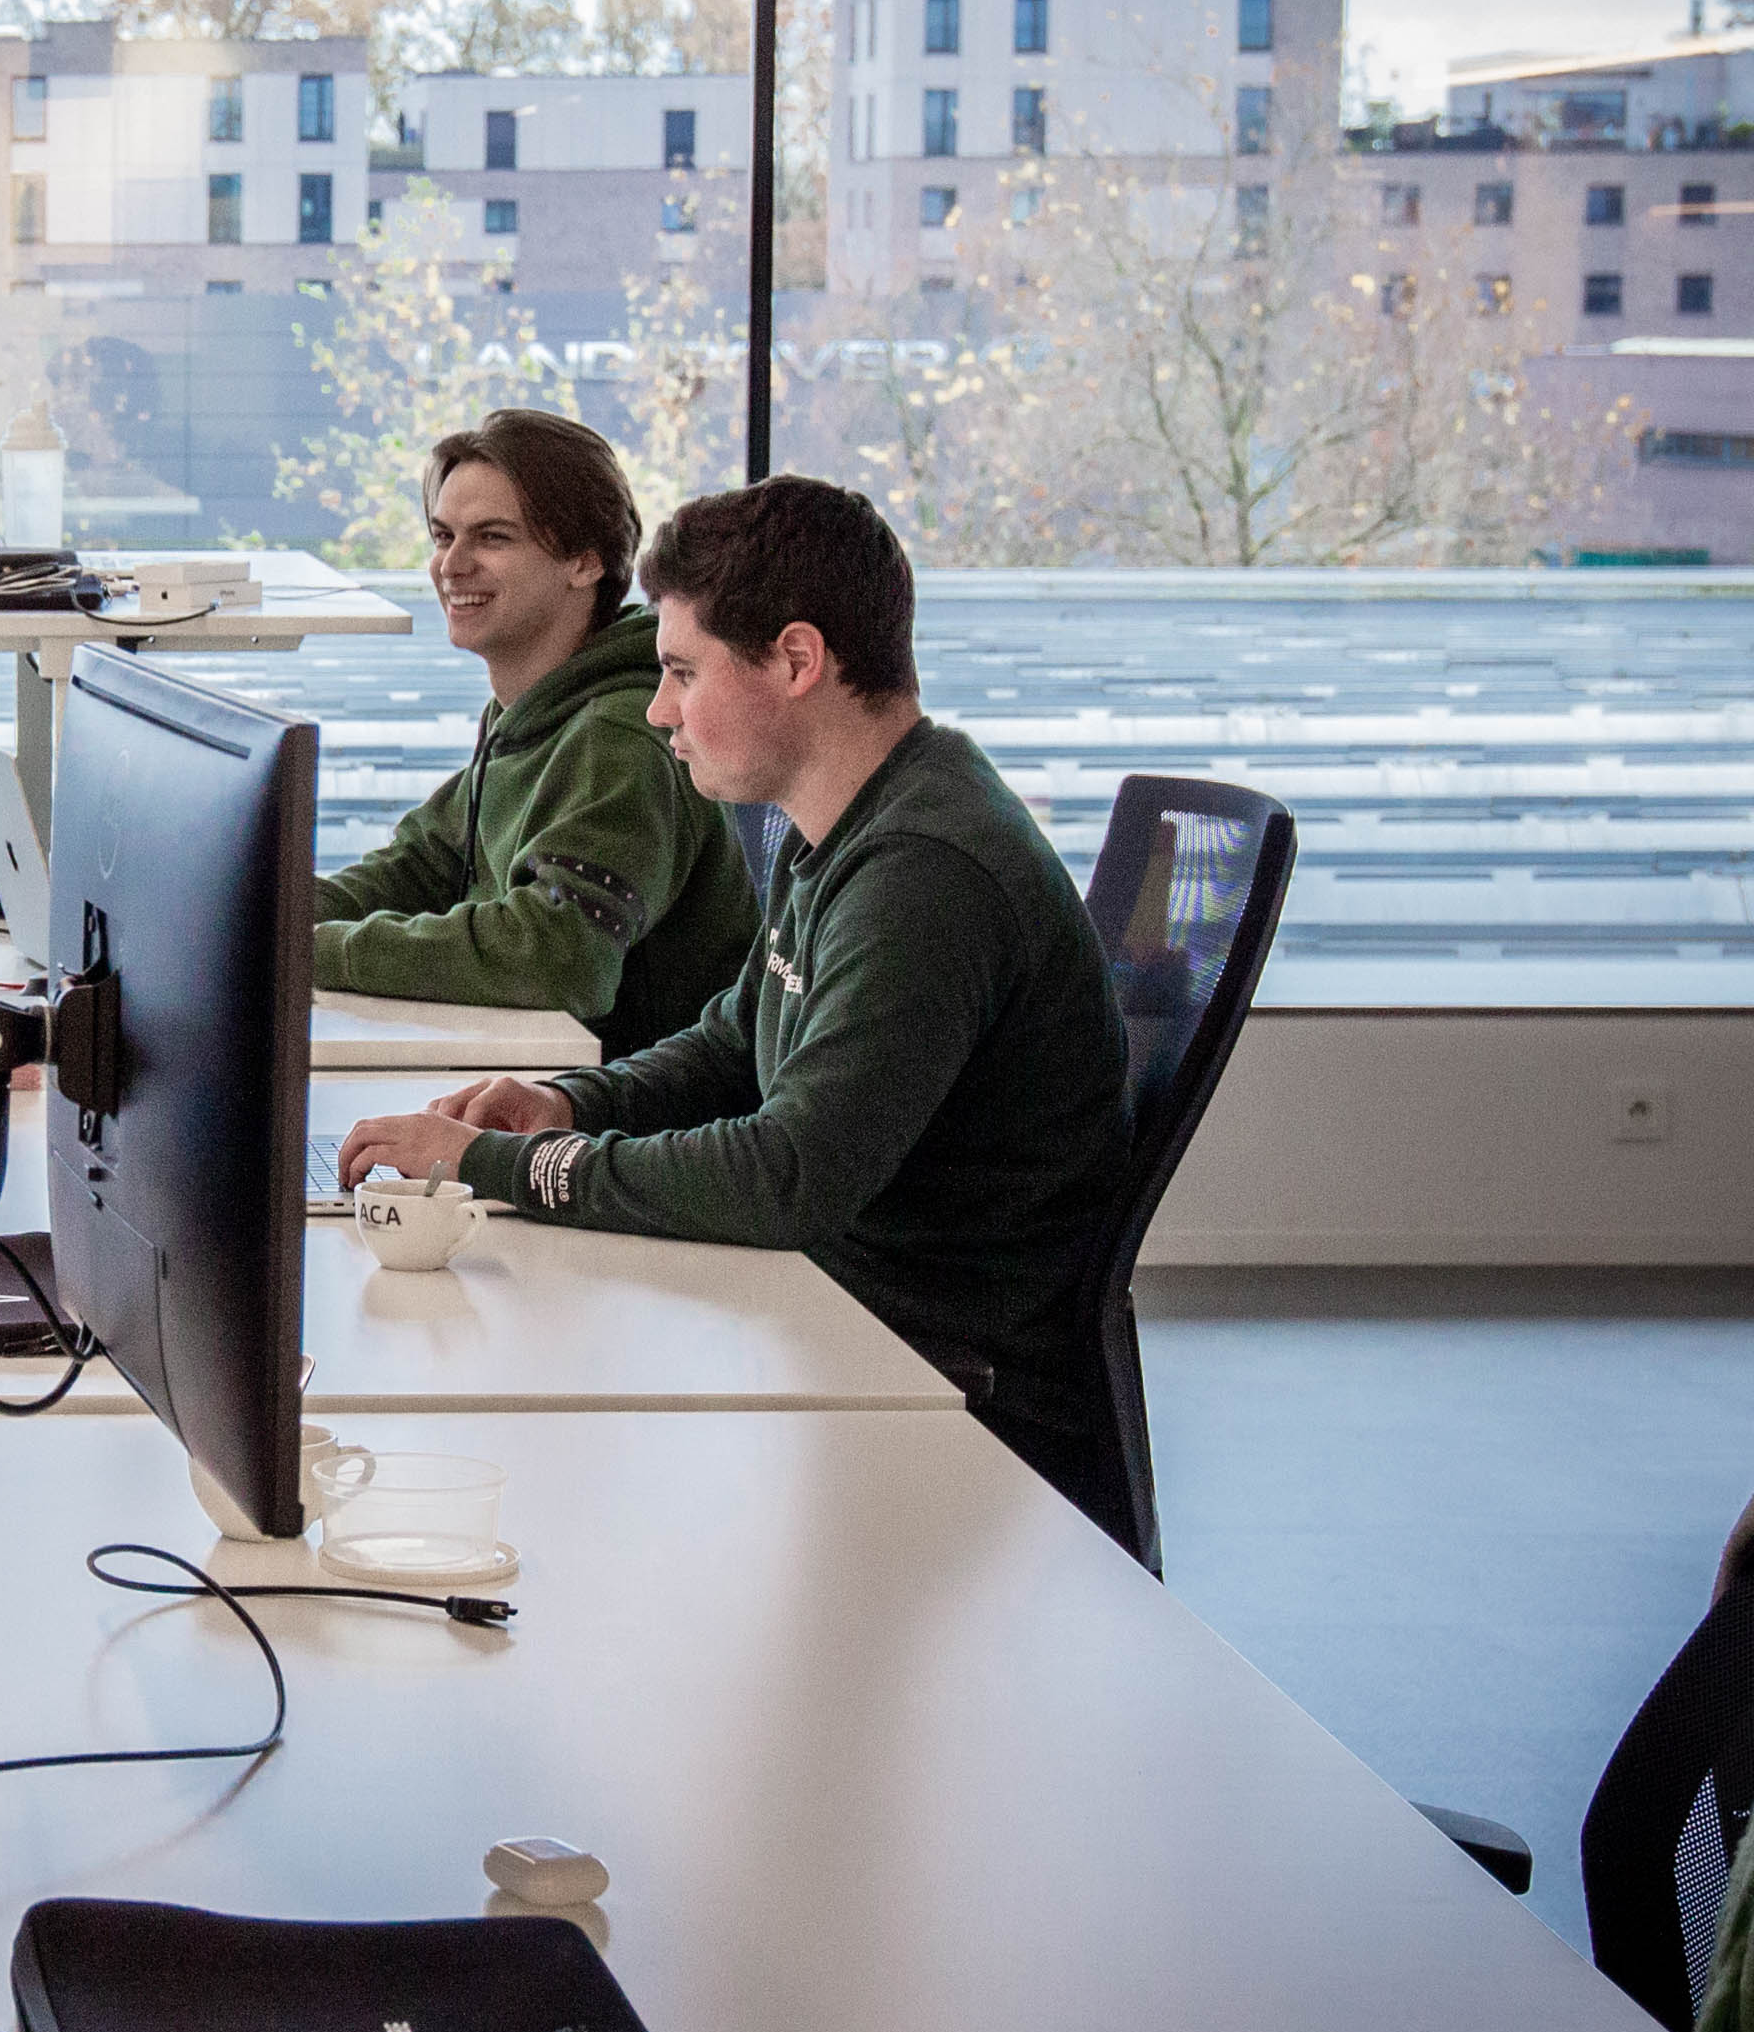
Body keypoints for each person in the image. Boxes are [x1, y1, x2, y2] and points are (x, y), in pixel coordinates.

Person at [336, 474, 1138, 1530]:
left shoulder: (922, 873)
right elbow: (736, 1036)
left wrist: (491, 1166)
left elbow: (784, 1176)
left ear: (796, 660)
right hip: (836, 1315)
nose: (659, 708)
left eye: (679, 671)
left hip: (945, 1398)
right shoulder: (851, 818)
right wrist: (571, 1106)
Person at [310, 408, 753, 1055]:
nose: (449, 565)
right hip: (528, 1086)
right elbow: (419, 867)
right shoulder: (527, 715)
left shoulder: (619, 734)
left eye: (491, 537)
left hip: (620, 1132)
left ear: (584, 561)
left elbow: (554, 958)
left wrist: (304, 951)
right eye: (441, 536)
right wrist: (265, 914)